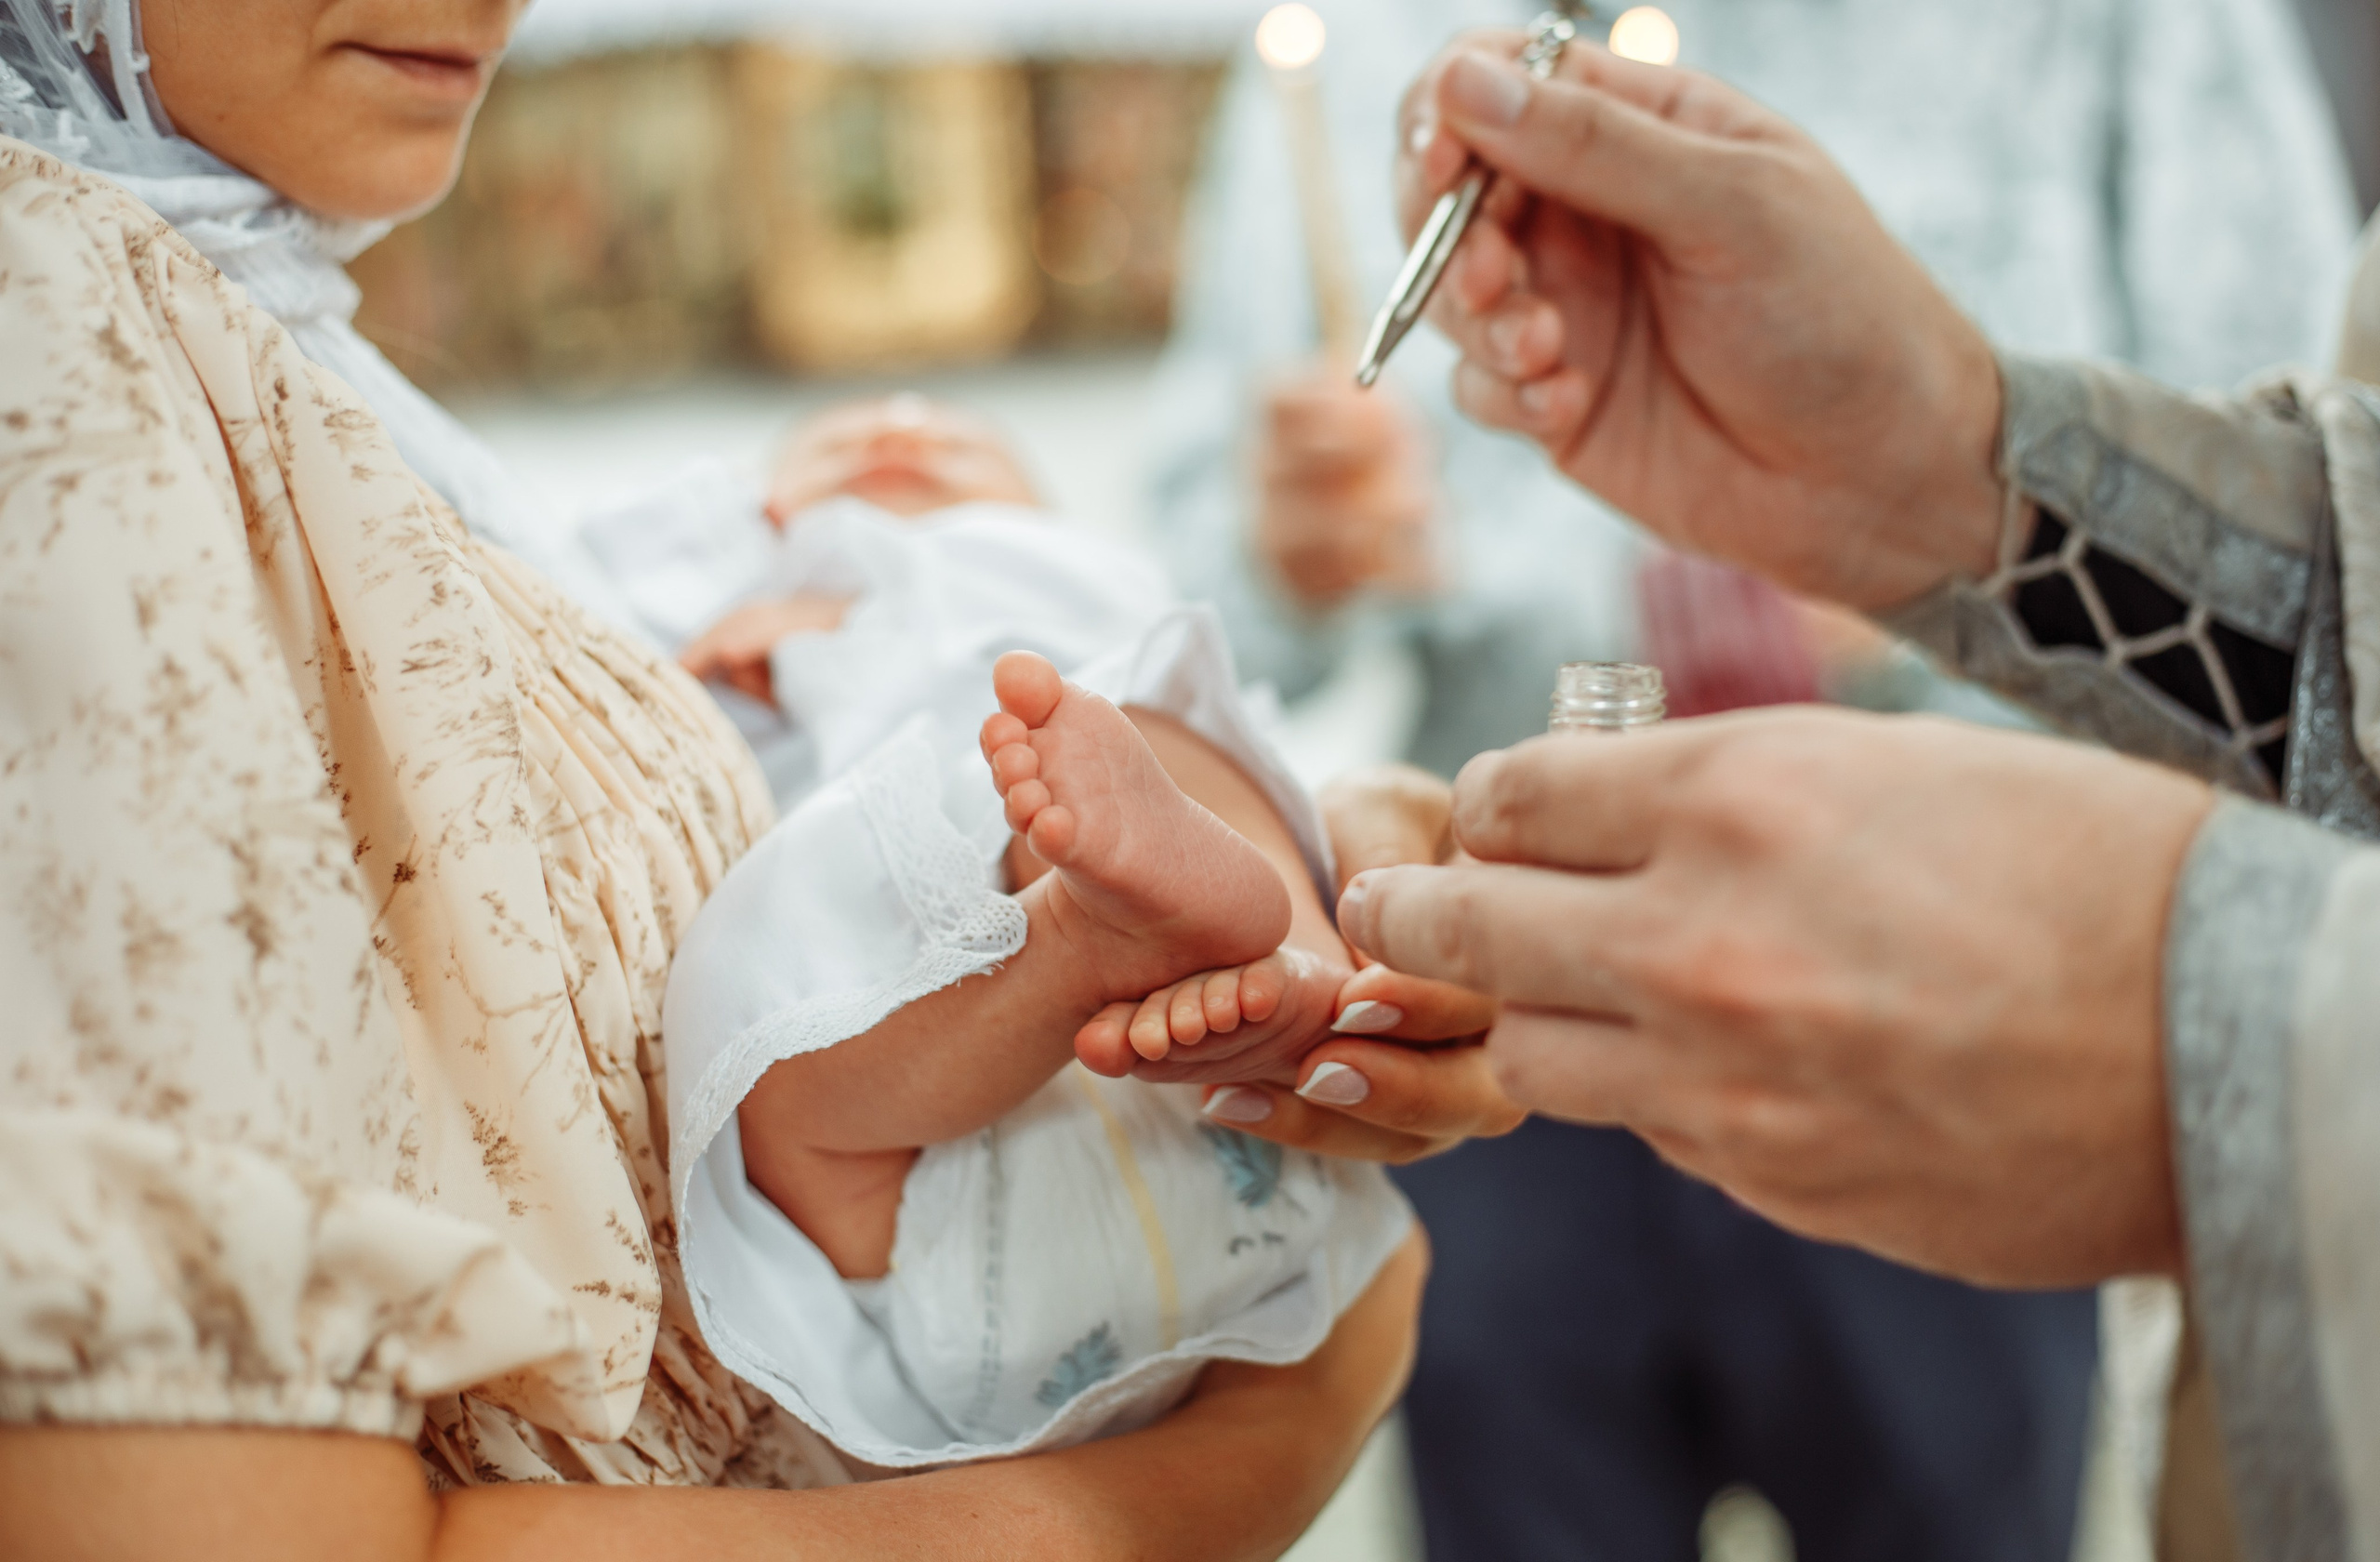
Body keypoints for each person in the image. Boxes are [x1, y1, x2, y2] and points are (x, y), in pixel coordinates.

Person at [0, 0, 1431, 1555]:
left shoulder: (256, 340)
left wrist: (1354, 845)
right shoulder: (52, 328)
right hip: (926, 1333)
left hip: (928, 1276)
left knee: (1039, 763)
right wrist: (1219, 1474)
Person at [1155, 1, 2356, 1551]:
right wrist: (1286, 550)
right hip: (1502, 1041)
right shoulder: (1380, 39)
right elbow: (1208, 550)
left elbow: (2326, 543)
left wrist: (1958, 522)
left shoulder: (2121, 27)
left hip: (1952, 995)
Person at [635, 397, 1419, 1462]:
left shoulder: (1045, 585)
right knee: (768, 1086)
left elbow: (1111, 630)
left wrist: (861, 619)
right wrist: (737, 648)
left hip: (1148, 1153)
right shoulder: (726, 622)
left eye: (957, 440)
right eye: (830, 447)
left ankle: (1274, 974)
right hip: (954, 1218)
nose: (895, 432)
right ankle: (1099, 942)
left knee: (1143, 716)